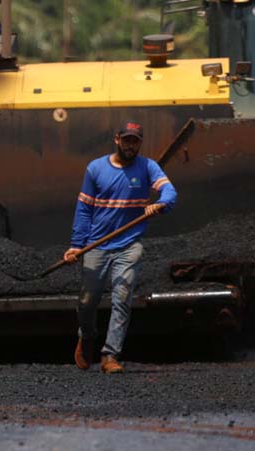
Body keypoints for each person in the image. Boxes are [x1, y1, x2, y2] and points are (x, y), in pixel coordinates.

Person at [65, 122, 177, 374]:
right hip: (97, 244)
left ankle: (110, 355)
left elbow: (169, 191)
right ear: (117, 139)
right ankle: (87, 336)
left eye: (135, 141)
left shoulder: (148, 167)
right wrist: (76, 245)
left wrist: (160, 203)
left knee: (122, 297)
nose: (131, 145)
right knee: (87, 300)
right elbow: (84, 210)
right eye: (127, 140)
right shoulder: (95, 169)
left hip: (129, 244)